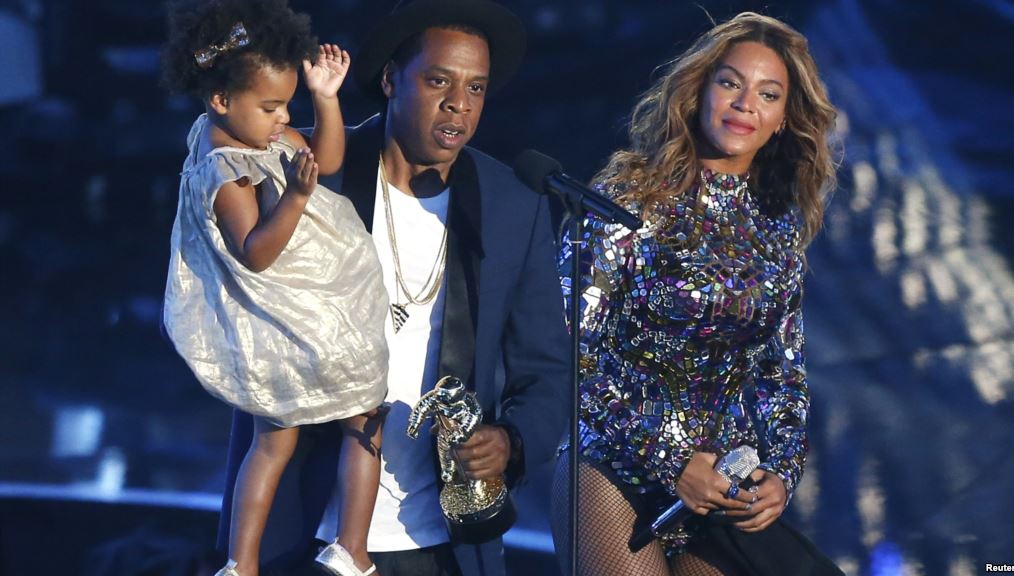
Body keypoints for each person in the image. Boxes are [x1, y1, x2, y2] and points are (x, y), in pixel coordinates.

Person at [215, 1, 571, 575]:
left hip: (443, 539)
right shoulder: (310, 172)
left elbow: (546, 367)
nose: (459, 102)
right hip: (303, 525)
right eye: (438, 81)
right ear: (390, 81)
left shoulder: (513, 205)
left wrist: (511, 440)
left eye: (476, 88)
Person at [552, 12, 844, 576]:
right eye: (730, 83)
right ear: (700, 90)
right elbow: (569, 350)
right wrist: (671, 457)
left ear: (784, 119)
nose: (744, 103)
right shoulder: (628, 195)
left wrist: (780, 472)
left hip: (721, 488)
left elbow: (782, 372)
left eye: (767, 93)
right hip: (614, 462)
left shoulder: (778, 222)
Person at [160, 1, 389, 574]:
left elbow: (328, 157)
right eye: (272, 107)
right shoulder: (225, 167)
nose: (283, 117)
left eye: (288, 103)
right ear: (221, 101)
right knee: (347, 423)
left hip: (319, 298)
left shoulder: (252, 130)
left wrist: (326, 98)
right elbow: (257, 253)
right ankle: (290, 558)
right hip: (291, 316)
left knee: (316, 431)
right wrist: (295, 198)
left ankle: (300, 556)